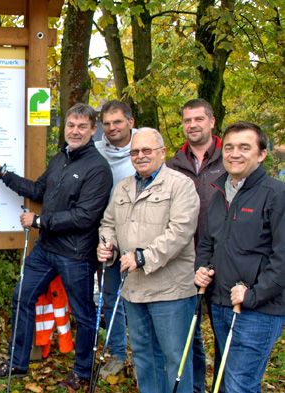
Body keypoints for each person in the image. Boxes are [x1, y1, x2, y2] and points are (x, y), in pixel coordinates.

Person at [0, 103, 113, 390]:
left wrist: (39, 221)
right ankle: (17, 363)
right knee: (22, 297)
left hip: (76, 254)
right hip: (46, 250)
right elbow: (38, 190)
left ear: (94, 130)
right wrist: (4, 173)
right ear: (65, 127)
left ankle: (83, 371)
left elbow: (84, 217)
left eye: (82, 126)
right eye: (71, 125)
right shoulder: (60, 158)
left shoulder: (98, 168)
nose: (75, 131)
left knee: (84, 314)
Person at [98, 128, 200, 393]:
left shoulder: (180, 185)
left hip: (171, 290)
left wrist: (143, 257)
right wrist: (107, 244)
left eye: (147, 150)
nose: (140, 156)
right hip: (134, 289)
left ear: (162, 152)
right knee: (144, 357)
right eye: (135, 151)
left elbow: (180, 232)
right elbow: (108, 223)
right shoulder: (123, 187)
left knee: (174, 359)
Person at [195, 121, 285, 393]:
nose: (235, 153)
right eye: (230, 147)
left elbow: (282, 257)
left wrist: (254, 294)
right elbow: (208, 243)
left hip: (258, 310)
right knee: (224, 382)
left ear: (261, 154)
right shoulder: (219, 192)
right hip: (221, 304)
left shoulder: (276, 194)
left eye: (245, 147)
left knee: (239, 386)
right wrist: (201, 268)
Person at [167, 98, 225, 393]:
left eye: (198, 119)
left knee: (223, 332)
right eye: (187, 120)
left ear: (212, 121)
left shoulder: (229, 158)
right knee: (190, 333)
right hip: (186, 259)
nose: (192, 125)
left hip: (224, 259)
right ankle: (195, 387)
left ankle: (222, 386)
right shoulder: (174, 164)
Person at [93, 100, 135, 378]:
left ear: (130, 122)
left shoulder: (144, 148)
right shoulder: (96, 152)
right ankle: (118, 353)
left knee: (140, 300)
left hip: (139, 240)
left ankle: (142, 356)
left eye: (117, 122)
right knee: (111, 298)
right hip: (105, 240)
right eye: (106, 123)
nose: (111, 128)